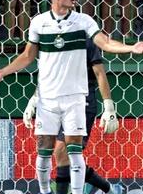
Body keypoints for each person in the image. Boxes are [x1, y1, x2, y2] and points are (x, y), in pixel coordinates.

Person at [0, 0, 143, 194]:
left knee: (73, 152)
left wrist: (130, 48)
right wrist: (3, 72)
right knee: (45, 151)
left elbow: (106, 43)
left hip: (76, 99)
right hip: (48, 99)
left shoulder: (84, 21)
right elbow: (28, 56)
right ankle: (45, 192)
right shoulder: (39, 22)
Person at [22, 36, 124, 194]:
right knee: (65, 156)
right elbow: (47, 76)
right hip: (58, 102)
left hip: (83, 103)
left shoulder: (86, 39)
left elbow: (99, 73)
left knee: (63, 151)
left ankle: (107, 189)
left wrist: (109, 107)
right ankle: (109, 189)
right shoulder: (53, 40)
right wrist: (33, 101)